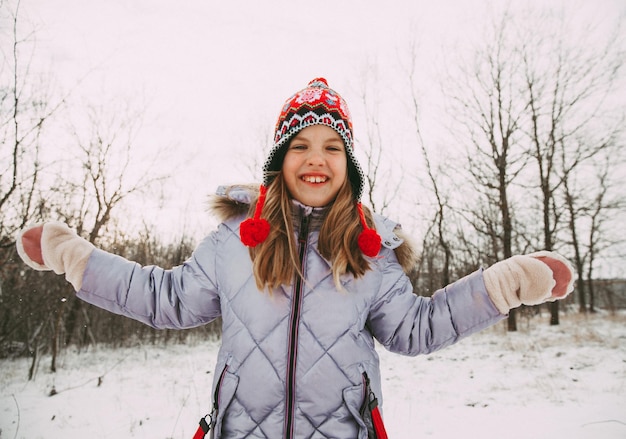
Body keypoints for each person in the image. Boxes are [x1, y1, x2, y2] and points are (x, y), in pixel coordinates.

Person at [16, 78, 574, 439]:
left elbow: (416, 329)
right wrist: (79, 258)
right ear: (279, 162)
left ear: (348, 168)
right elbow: (166, 300)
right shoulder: (236, 241)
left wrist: (502, 284)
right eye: (300, 146)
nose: (316, 159)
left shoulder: (370, 252)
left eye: (333, 147)